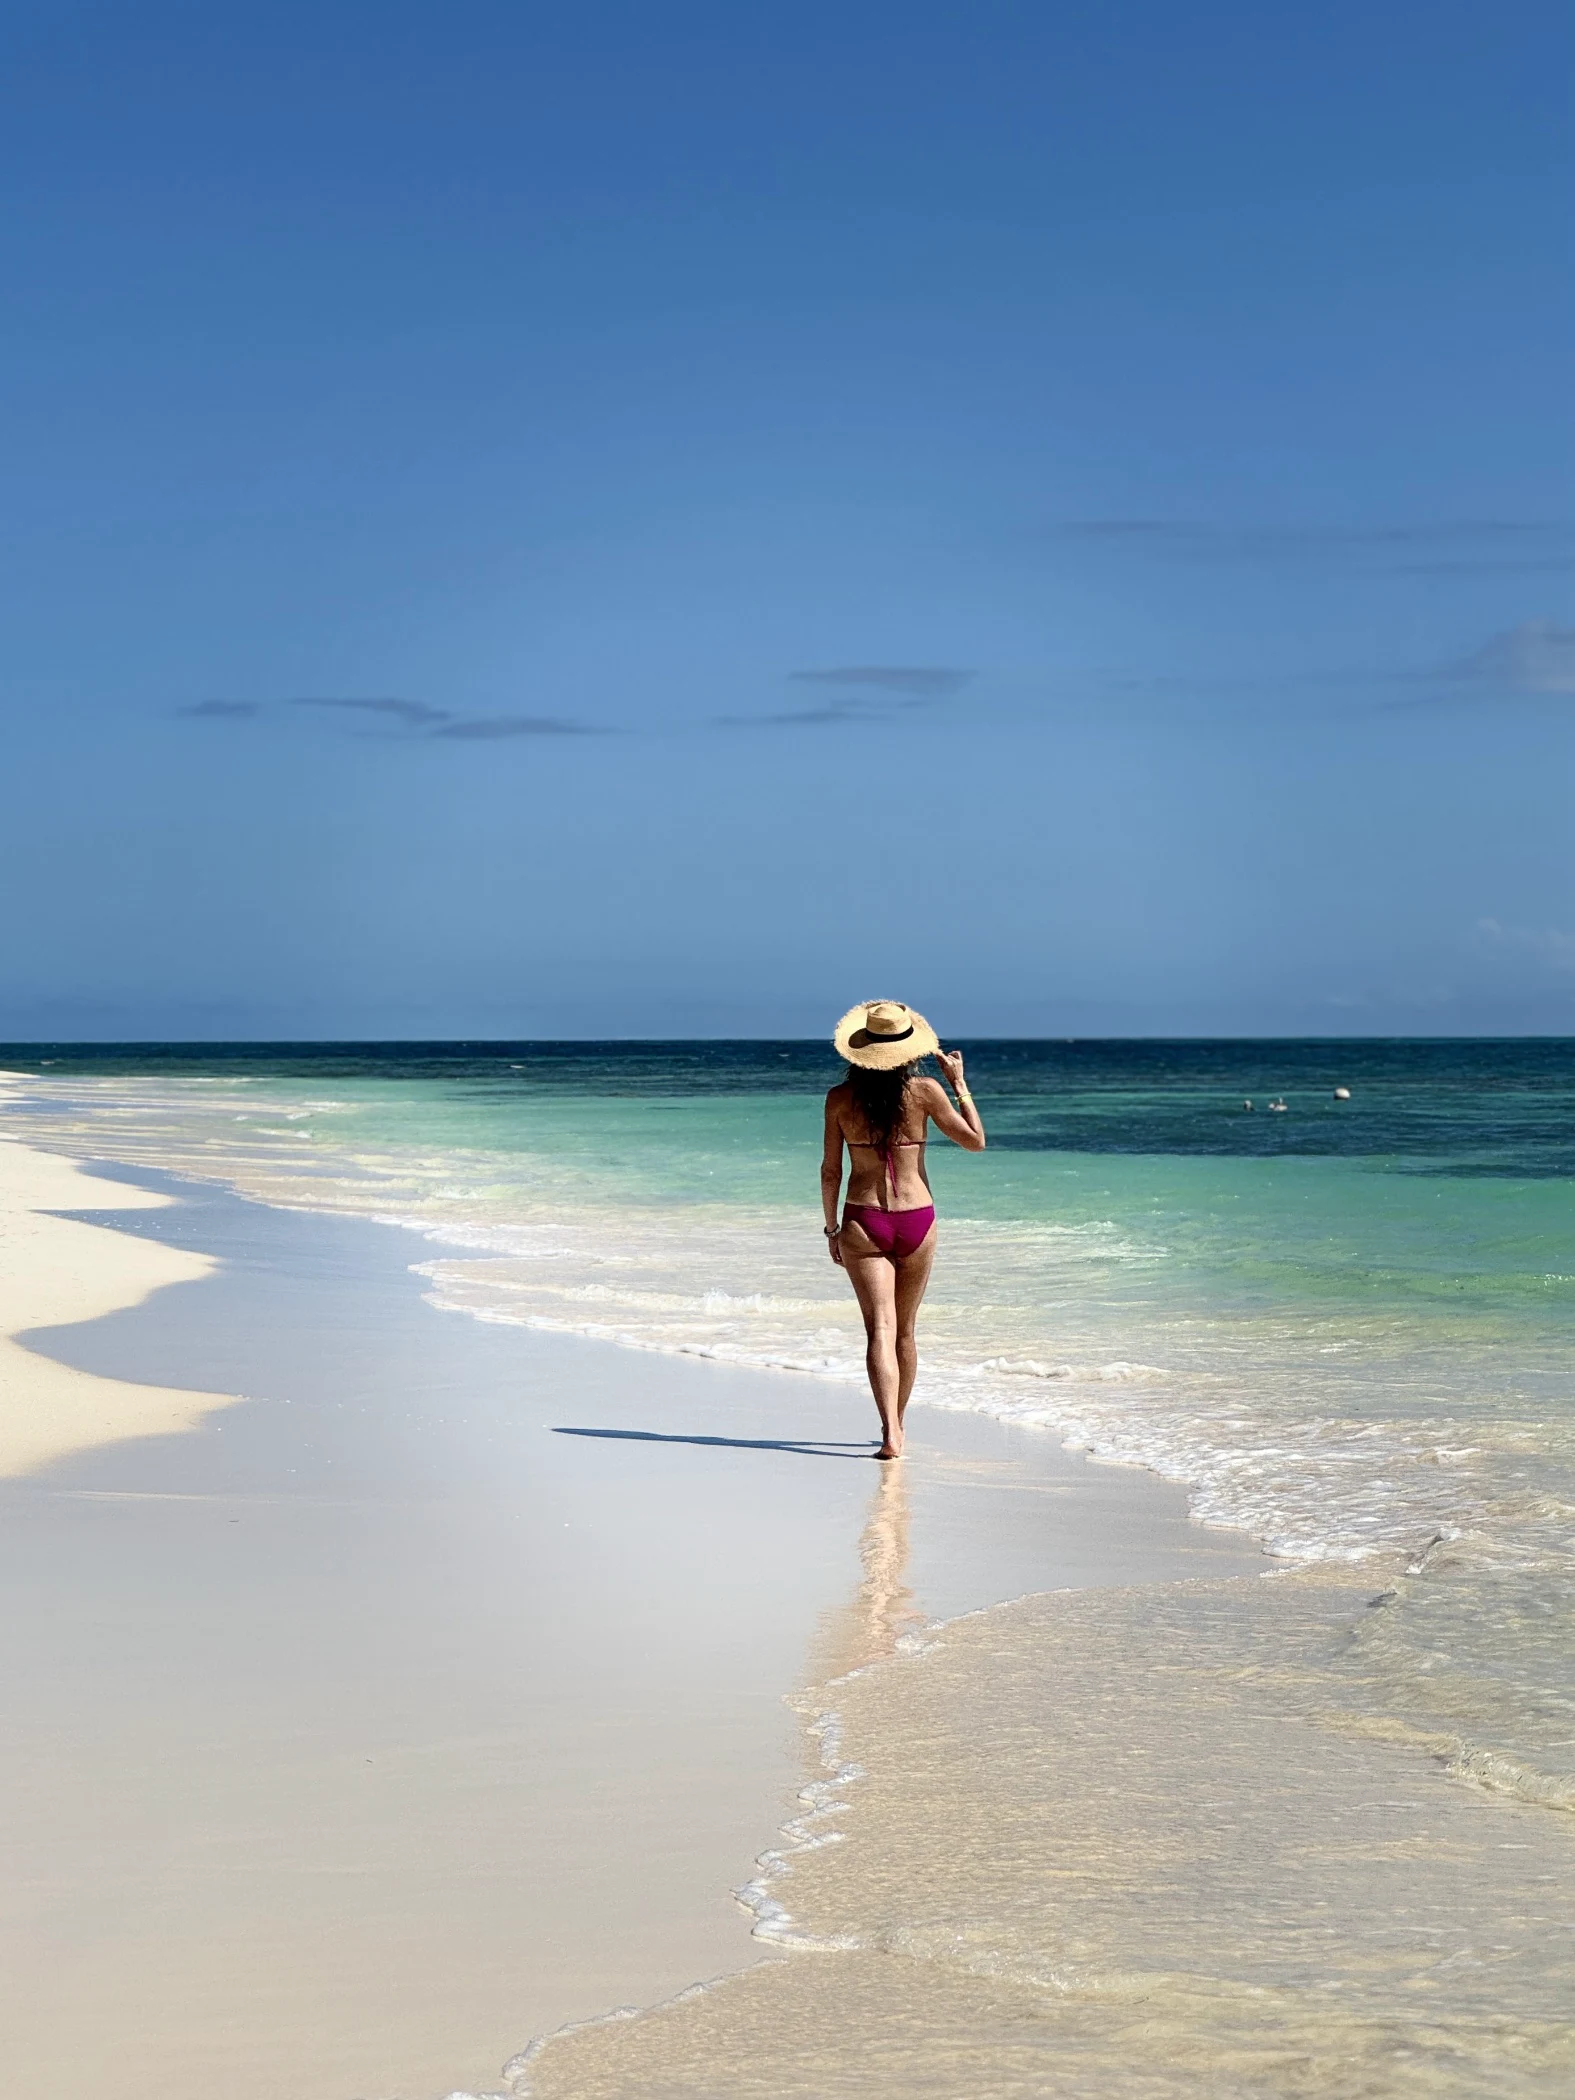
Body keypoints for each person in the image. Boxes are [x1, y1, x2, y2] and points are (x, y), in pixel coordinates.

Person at [821, 1000, 986, 1459]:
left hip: (862, 1219)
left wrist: (831, 1226)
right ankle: (900, 1424)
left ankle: (890, 1431)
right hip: (917, 1220)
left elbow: (830, 1170)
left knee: (879, 1330)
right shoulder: (927, 1091)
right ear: (908, 1049)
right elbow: (976, 1142)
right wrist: (959, 1085)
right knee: (905, 1333)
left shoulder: (839, 1099)